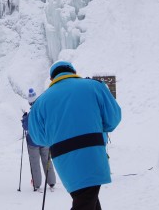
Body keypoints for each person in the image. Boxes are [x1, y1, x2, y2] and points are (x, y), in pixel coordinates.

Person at [29, 61, 121, 210]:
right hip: (92, 153)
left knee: (87, 199)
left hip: (63, 158)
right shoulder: (94, 86)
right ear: (73, 72)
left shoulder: (41, 101)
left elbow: (38, 138)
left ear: (52, 78)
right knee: (85, 201)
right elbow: (113, 119)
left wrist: (56, 135)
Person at [21, 87, 57, 191]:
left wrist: (24, 119)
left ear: (30, 103)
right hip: (44, 141)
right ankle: (52, 181)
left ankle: (37, 184)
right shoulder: (43, 112)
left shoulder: (30, 115)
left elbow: (25, 127)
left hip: (33, 142)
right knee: (47, 160)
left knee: (35, 162)